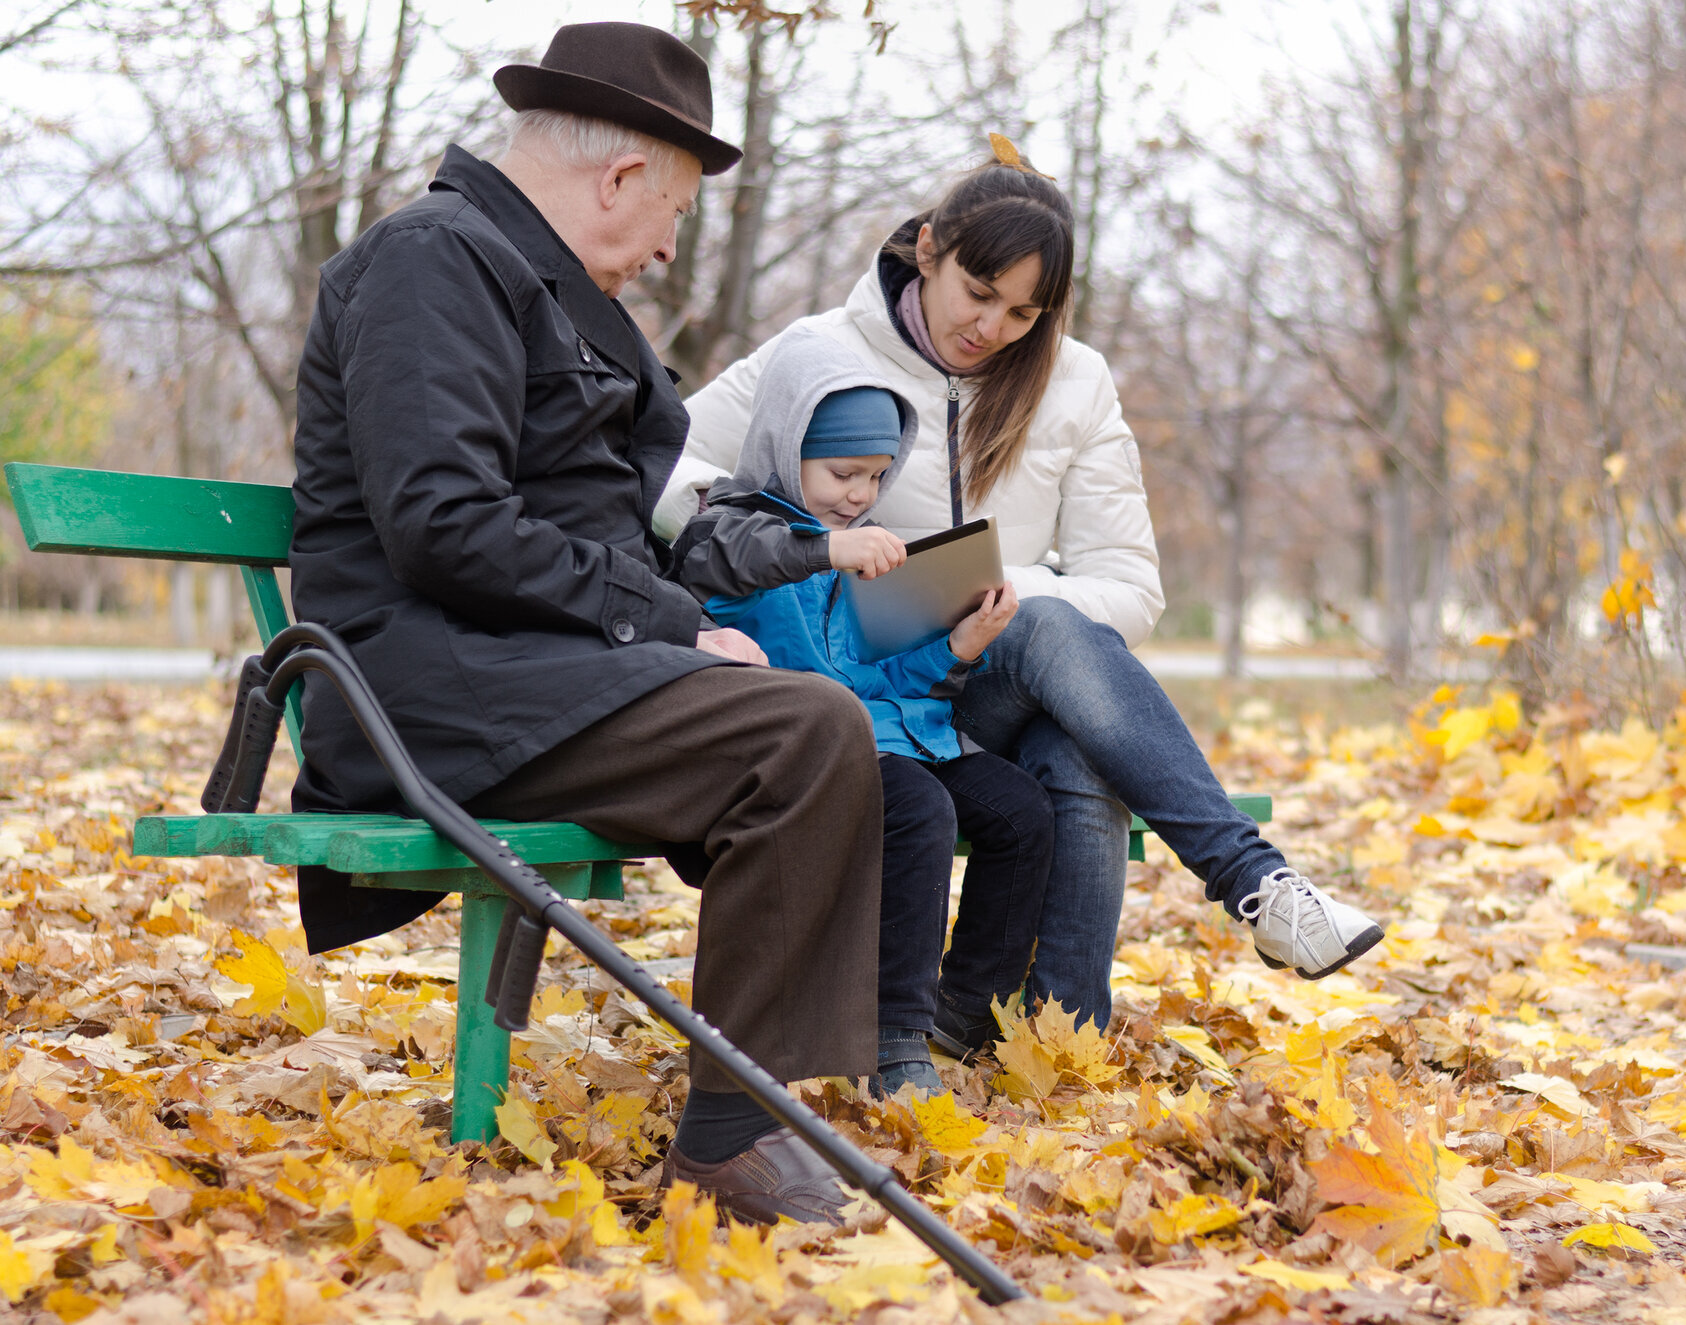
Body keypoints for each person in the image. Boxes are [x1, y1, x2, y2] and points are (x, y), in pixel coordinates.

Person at [288, 23, 878, 1224]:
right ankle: (728, 1141)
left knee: (882, 763)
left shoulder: (524, 278)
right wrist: (665, 622)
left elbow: (592, 512)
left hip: (526, 667)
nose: (666, 249)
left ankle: (805, 1085)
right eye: (669, 216)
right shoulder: (430, 264)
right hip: (423, 686)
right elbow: (443, 524)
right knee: (804, 735)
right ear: (618, 177)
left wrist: (693, 606)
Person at [657, 144, 1384, 1042]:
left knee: (1050, 642)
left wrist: (994, 587)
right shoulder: (822, 353)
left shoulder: (1075, 381)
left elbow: (1129, 591)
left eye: (1023, 311)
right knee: (1077, 753)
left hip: (990, 676)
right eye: (979, 292)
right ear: (928, 250)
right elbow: (656, 466)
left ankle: (1077, 1025)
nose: (993, 328)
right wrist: (809, 547)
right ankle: (1060, 1010)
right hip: (857, 681)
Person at [670, 327, 1053, 1098]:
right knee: (917, 810)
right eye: (843, 472)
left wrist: (958, 645)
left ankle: (965, 1011)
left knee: (1021, 811)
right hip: (801, 750)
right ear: (788, 447)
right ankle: (893, 1034)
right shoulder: (734, 526)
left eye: (876, 476)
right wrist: (820, 551)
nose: (859, 494)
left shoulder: (855, 541)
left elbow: (876, 668)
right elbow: (725, 559)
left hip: (891, 732)